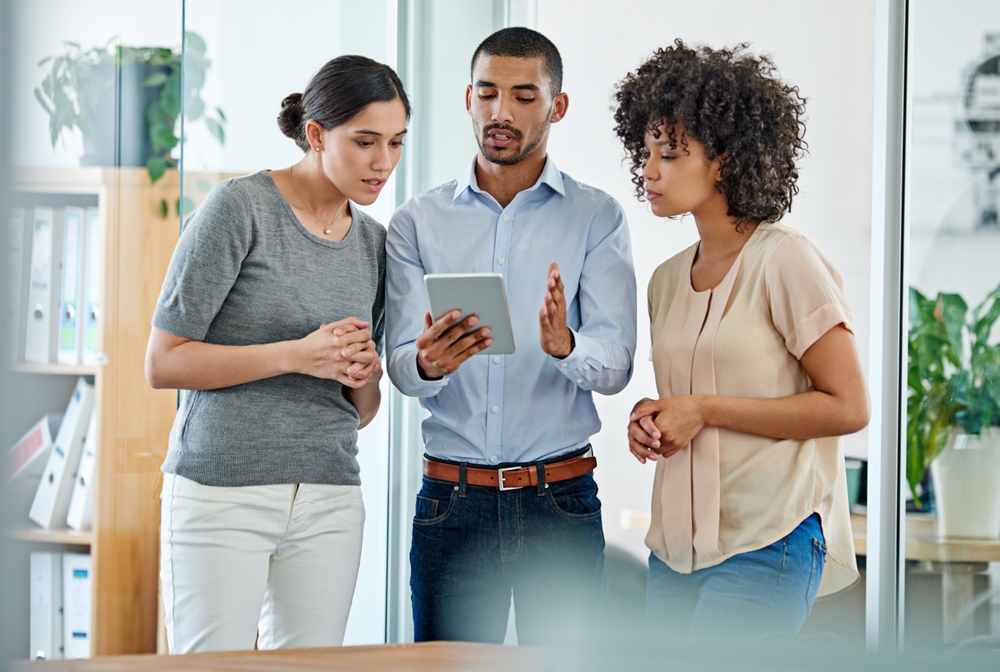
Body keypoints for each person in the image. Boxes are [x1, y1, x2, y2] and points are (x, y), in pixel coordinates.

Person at [144, 55, 409, 654]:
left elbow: (358, 409)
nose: (384, 162)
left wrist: (362, 374)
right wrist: (296, 354)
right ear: (315, 135)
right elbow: (164, 361)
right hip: (222, 490)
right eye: (365, 141)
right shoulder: (239, 209)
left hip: (330, 496)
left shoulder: (373, 242)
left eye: (395, 142)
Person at [386, 27, 637, 645]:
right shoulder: (416, 222)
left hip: (560, 502)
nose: (501, 111)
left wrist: (567, 347)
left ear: (557, 106)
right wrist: (427, 362)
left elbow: (619, 363)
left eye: (525, 96)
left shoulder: (596, 217)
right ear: (467, 99)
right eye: (488, 93)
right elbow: (397, 365)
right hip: (450, 504)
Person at [614, 41, 870, 639]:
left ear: (725, 161)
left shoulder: (786, 260)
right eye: (646, 152)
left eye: (670, 155)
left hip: (768, 541)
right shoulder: (666, 280)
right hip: (674, 551)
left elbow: (848, 406)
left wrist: (703, 410)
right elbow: (688, 400)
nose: (649, 171)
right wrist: (652, 420)